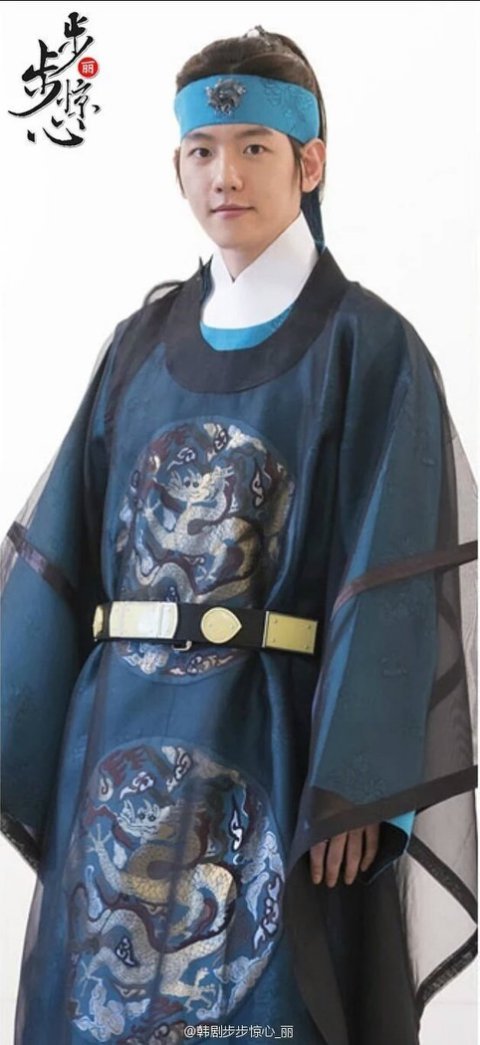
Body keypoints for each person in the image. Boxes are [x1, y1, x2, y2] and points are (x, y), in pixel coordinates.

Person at [1, 25, 477, 1045]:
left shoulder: (370, 347)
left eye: (255, 147)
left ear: (311, 161)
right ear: (178, 168)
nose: (226, 174)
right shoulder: (135, 346)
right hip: (117, 743)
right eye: (202, 152)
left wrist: (363, 785)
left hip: (278, 746)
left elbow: (395, 570)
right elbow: (60, 553)